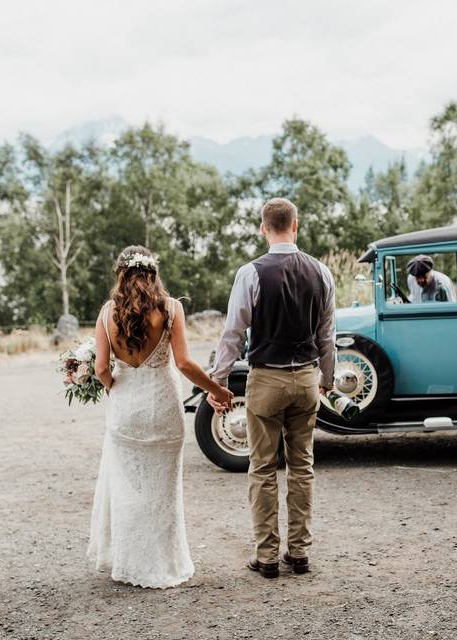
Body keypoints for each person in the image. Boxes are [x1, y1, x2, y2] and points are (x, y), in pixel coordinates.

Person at [87, 245, 233, 588]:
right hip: (164, 410)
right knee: (163, 492)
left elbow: (101, 368)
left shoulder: (107, 313)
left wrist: (116, 389)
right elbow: (183, 363)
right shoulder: (171, 309)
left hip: (125, 412)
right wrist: (217, 389)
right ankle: (164, 563)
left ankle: (128, 563)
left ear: (120, 275)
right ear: (154, 273)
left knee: (128, 490)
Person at [209, 198, 336, 579]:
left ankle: (266, 557)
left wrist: (217, 381)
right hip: (307, 380)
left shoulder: (250, 273)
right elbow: (328, 335)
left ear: (264, 228)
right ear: (295, 225)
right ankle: (298, 553)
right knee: (302, 466)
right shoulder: (321, 272)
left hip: (266, 379)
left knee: (263, 467)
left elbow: (233, 333)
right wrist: (327, 379)